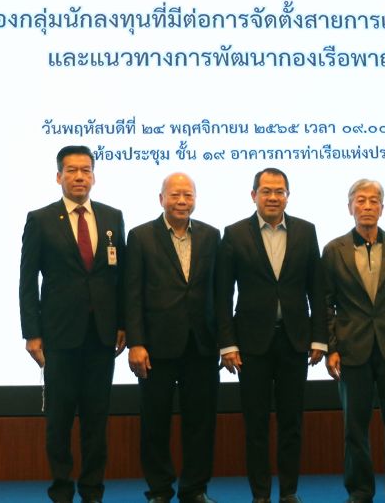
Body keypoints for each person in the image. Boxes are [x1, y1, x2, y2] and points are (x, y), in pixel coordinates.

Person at [18, 145, 127, 503]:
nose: (79, 176)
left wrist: (123, 323)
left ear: (94, 176)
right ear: (59, 176)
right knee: (60, 420)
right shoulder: (41, 219)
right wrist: (32, 333)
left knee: (96, 419)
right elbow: (27, 280)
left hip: (101, 336)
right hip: (59, 336)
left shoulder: (112, 217)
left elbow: (120, 277)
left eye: (86, 170)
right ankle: (62, 490)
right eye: (72, 170)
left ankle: (92, 490)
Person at [215, 167, 327, 503]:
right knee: (256, 424)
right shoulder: (234, 234)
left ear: (288, 196)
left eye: (280, 191)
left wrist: (319, 338)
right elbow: (223, 295)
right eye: (266, 191)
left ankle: (289, 492)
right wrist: (227, 343)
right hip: (251, 344)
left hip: (295, 341)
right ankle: (261, 494)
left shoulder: (306, 231)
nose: (273, 197)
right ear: (254, 195)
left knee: (292, 423)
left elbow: (316, 289)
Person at [322, 179, 385, 503]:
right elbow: (326, 303)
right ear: (349, 207)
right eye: (360, 200)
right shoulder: (334, 250)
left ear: (382, 208)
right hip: (351, 349)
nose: (367, 206)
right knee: (355, 428)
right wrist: (331, 347)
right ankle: (360, 491)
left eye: (373, 201)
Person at [124, 173, 221, 503]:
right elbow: (132, 293)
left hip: (201, 344)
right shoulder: (140, 236)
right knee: (155, 423)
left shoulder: (211, 235)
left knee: (201, 423)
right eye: (175, 195)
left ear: (195, 199)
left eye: (188, 195)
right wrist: (136, 342)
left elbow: (220, 292)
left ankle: (195, 489)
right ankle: (160, 490)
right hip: (155, 346)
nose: (182, 201)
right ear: (161, 199)